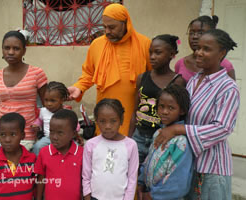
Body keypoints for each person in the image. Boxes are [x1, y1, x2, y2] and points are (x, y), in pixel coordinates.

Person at [153, 29, 240, 200]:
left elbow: (222, 128)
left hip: (212, 167)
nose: (199, 53)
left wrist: (179, 129)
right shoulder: (193, 81)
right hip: (188, 162)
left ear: (221, 53)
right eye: (198, 48)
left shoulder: (227, 87)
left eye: (206, 49)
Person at [68, 3, 152, 136]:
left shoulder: (144, 44)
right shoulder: (97, 44)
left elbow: (153, 77)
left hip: (133, 114)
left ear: (125, 23)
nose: (107, 31)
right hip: (105, 113)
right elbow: (89, 73)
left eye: (112, 27)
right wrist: (79, 87)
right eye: (104, 27)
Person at [128, 34, 186, 165]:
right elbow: (135, 111)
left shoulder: (177, 81)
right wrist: (129, 138)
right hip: (139, 136)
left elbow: (179, 114)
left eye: (158, 53)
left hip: (161, 137)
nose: (152, 57)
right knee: (133, 173)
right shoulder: (142, 78)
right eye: (150, 53)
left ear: (172, 54)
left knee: (153, 174)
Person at [0, 30, 48, 150]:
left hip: (26, 136)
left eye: (16, 48)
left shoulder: (37, 73)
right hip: (0, 136)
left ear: (24, 51)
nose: (11, 52)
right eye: (7, 48)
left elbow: (48, 105)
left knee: (23, 168)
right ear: (2, 50)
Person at [138, 84, 193, 200]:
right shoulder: (159, 133)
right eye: (161, 106)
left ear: (182, 110)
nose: (164, 111)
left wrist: (153, 196)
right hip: (150, 192)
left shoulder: (181, 142)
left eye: (171, 108)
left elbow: (178, 181)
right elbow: (148, 161)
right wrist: (141, 182)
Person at [82, 98, 139, 200]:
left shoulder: (131, 145)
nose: (108, 126)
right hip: (95, 197)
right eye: (102, 121)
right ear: (96, 121)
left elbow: (132, 178)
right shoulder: (91, 144)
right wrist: (87, 196)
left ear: (121, 120)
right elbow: (86, 175)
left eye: (113, 121)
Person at [35, 109, 83, 200]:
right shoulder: (44, 152)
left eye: (60, 133)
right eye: (51, 131)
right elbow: (41, 178)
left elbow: (84, 182)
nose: (54, 137)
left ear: (73, 134)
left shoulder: (81, 154)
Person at [0, 112, 36, 199]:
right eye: (3, 135)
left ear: (22, 135)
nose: (7, 140)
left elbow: (35, 187)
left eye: (13, 134)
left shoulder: (32, 159)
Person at [175, 15, 235, 82]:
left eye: (200, 32)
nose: (194, 36)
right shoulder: (180, 63)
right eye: (191, 33)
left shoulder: (225, 65)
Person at [32, 81, 70, 156]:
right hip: (48, 138)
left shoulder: (66, 111)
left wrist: (76, 130)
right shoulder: (43, 111)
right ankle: (37, 164)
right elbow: (39, 120)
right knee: (37, 146)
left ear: (62, 100)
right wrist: (36, 125)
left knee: (75, 146)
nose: (49, 104)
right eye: (46, 100)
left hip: (65, 139)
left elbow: (74, 123)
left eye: (53, 101)